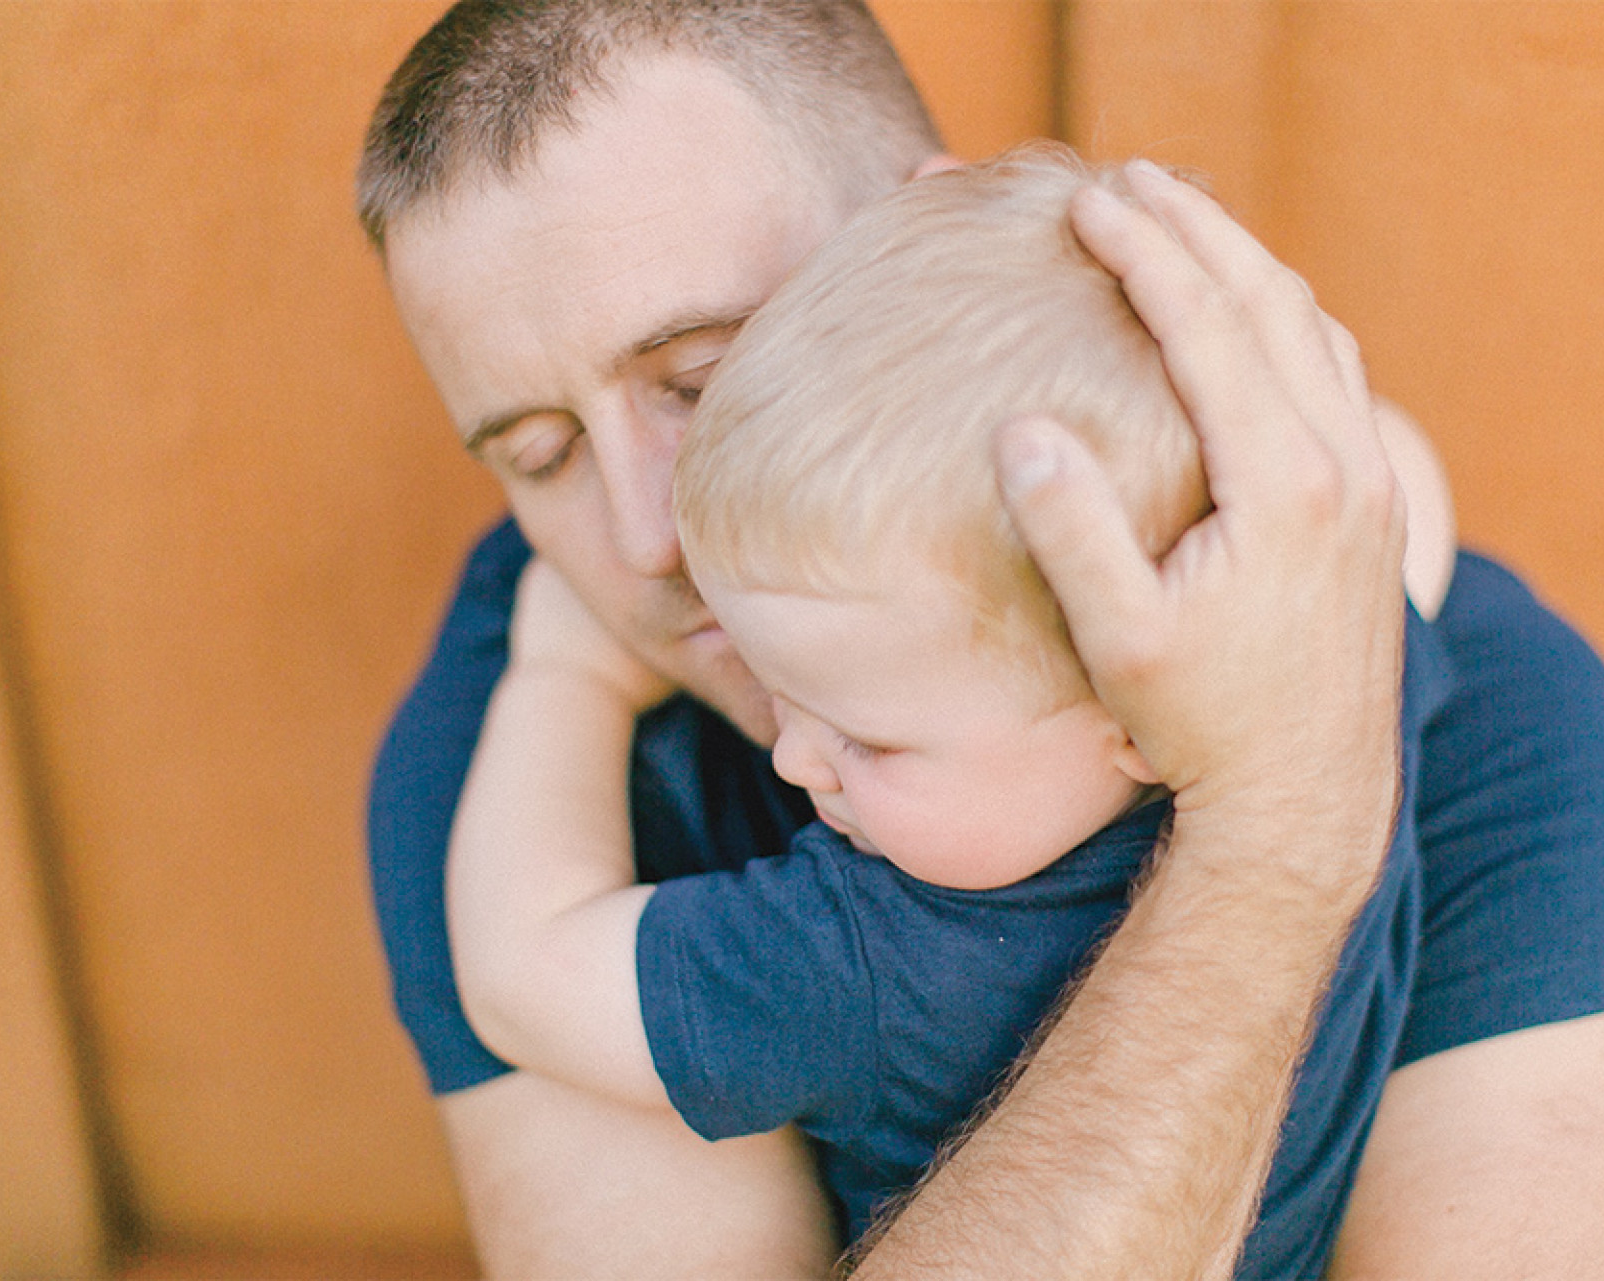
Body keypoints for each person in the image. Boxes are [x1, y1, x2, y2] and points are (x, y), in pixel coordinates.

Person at [359, 2, 1604, 1276]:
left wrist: (1282, 802)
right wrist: (1272, 850)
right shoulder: (524, 761)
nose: (649, 536)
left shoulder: (1487, 690)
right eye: (539, 456)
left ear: (926, 235)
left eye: (708, 379)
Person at [446, 146, 1450, 1259]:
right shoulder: (1348, 670)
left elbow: (520, 981)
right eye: (786, 695)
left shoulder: (862, 956)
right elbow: (1391, 477)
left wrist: (563, 678)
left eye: (868, 738)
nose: (796, 762)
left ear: (1136, 717)